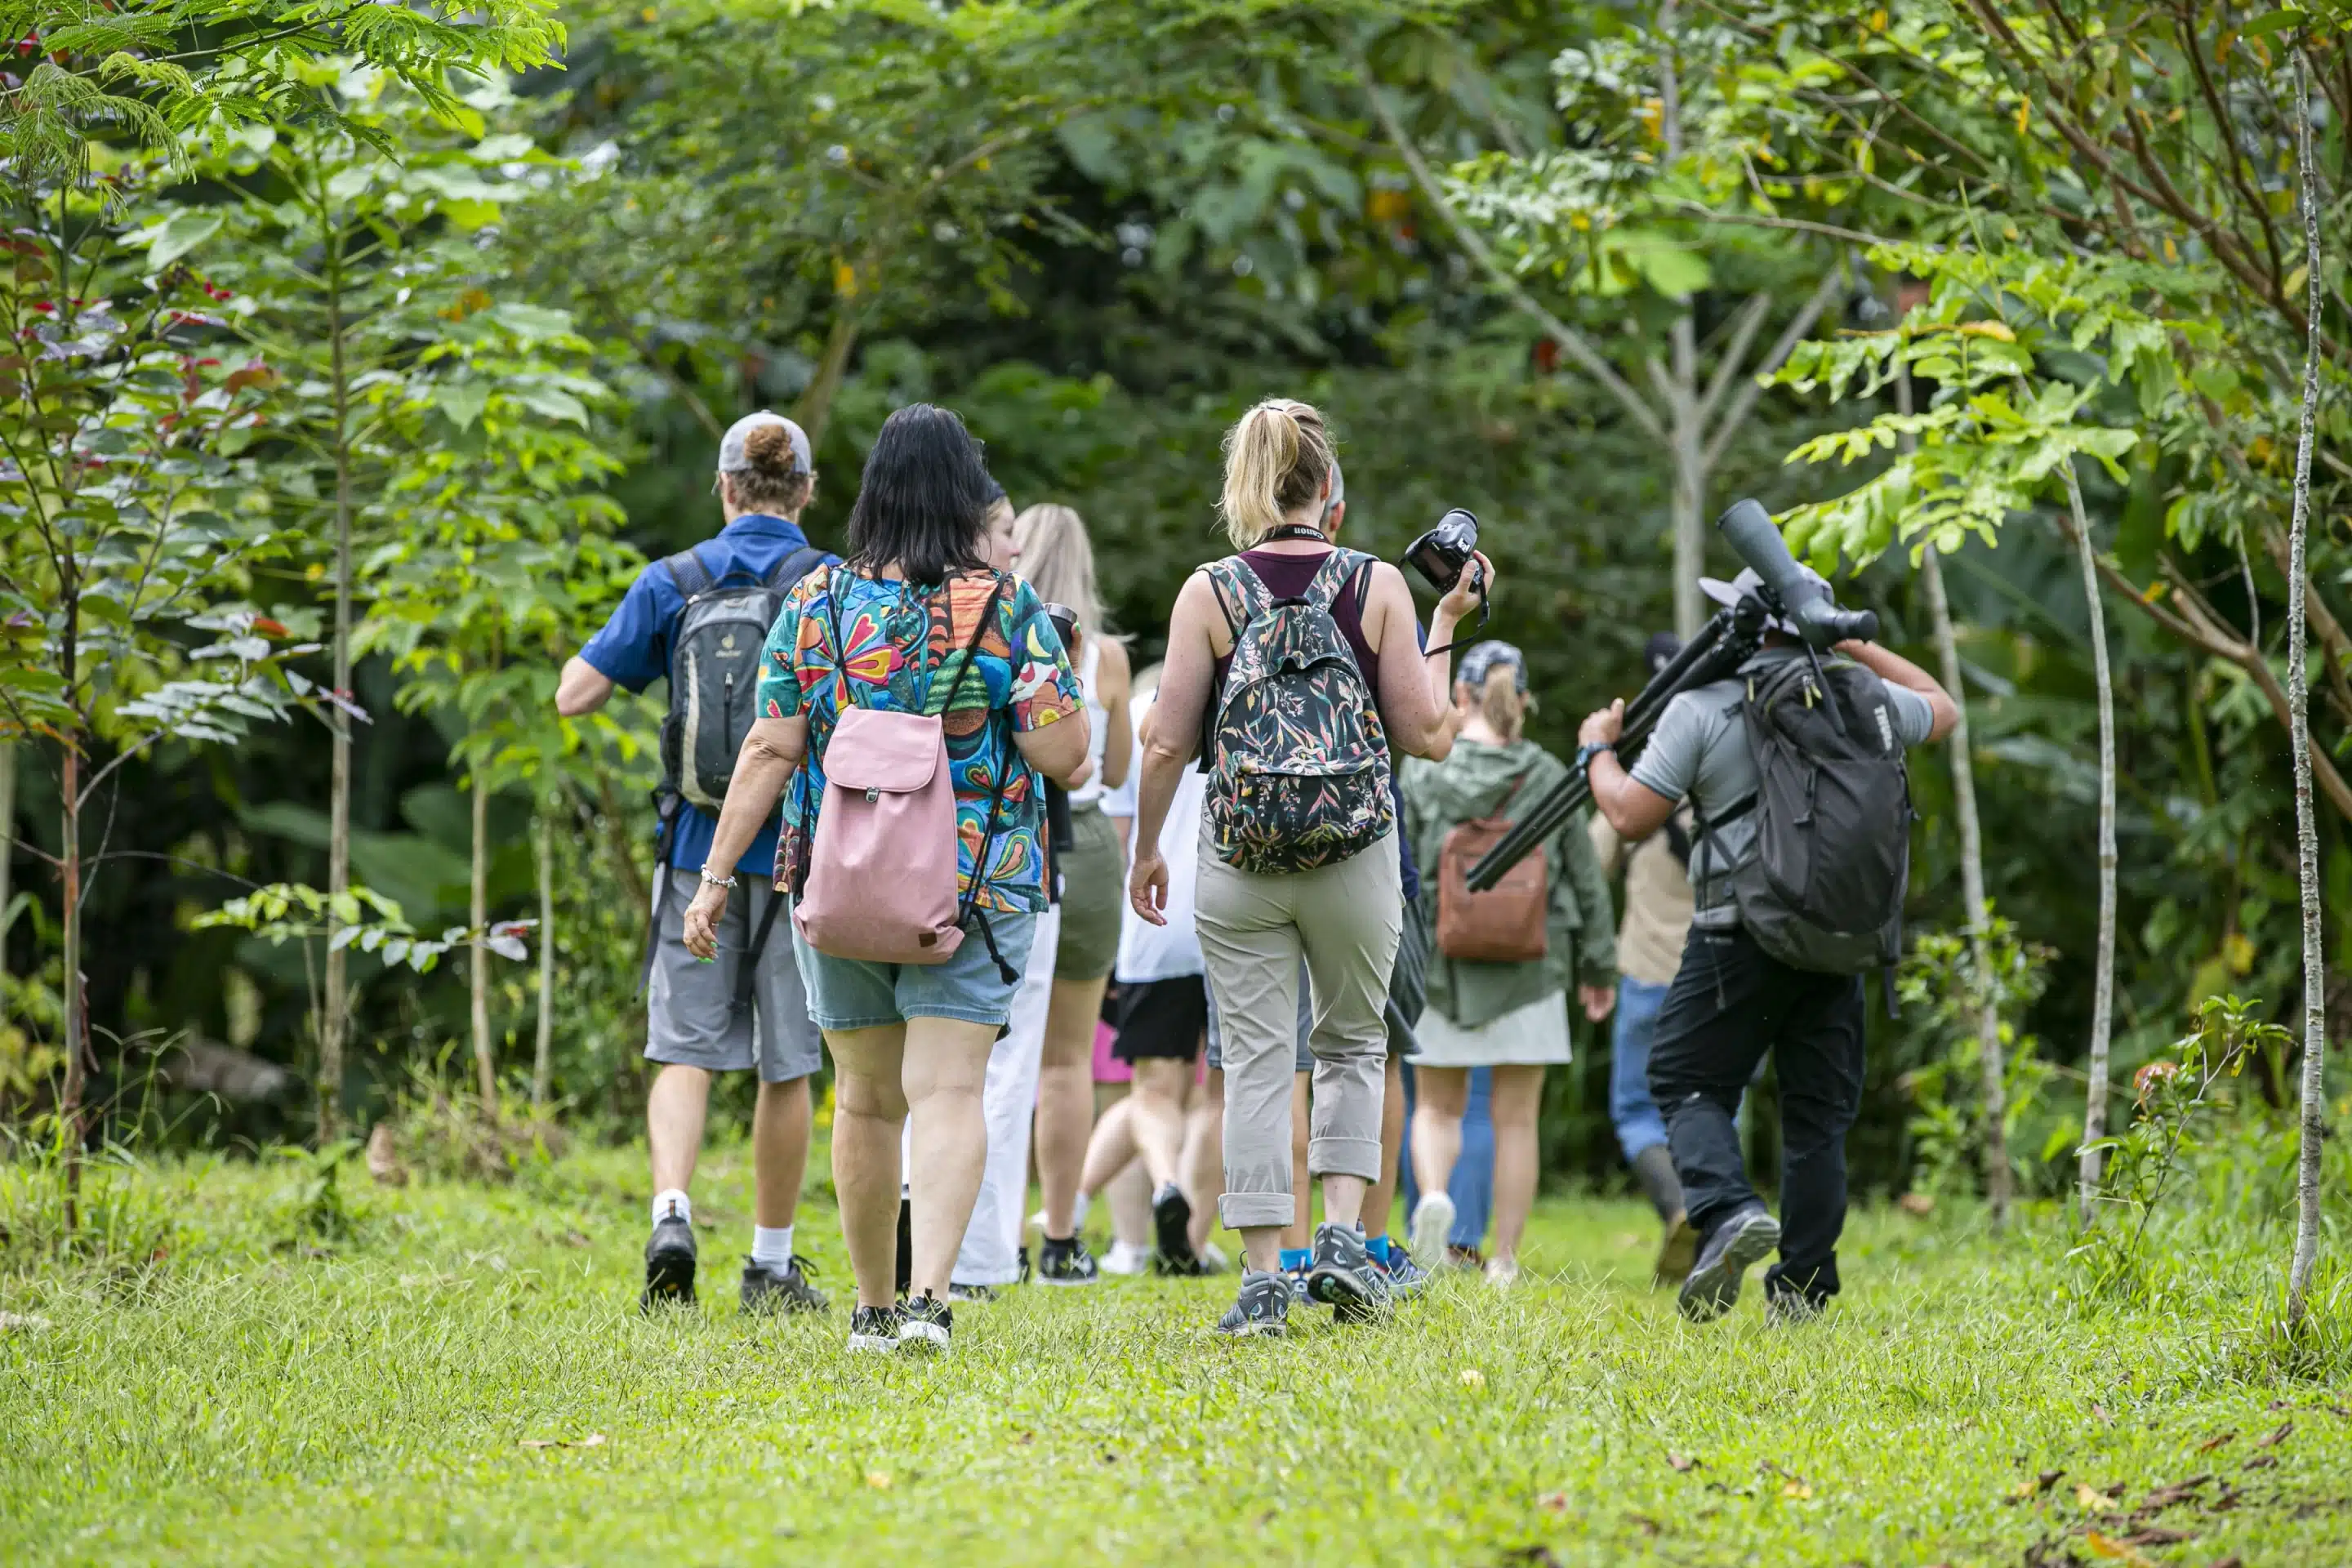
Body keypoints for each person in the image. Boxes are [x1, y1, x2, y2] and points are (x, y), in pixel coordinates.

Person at [681, 403, 1088, 1356]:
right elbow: (1063, 754)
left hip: (843, 885)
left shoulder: (817, 604)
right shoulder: (1003, 607)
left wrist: (711, 881)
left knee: (865, 1099)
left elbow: (768, 747)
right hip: (972, 885)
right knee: (948, 1091)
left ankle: (869, 1310)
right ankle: (930, 1304)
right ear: (963, 497)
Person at [1128, 396, 1484, 1338]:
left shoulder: (1210, 590)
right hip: (1356, 852)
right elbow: (1427, 735)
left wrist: (1147, 852)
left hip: (1239, 855)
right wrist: (1448, 620)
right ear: (1328, 488)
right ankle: (1338, 1241)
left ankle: (1258, 1285)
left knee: (1251, 1062)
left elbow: (1165, 742)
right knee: (1353, 1046)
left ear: (1245, 486)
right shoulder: (1377, 586)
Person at [1579, 567, 1956, 1323]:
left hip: (1737, 935)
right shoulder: (1868, 703)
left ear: (1748, 625)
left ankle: (1726, 1211)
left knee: (1683, 1077)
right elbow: (1945, 708)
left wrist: (1598, 750)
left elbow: (1626, 817)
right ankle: (1804, 1289)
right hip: (1842, 940)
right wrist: (1853, 643)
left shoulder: (1704, 709)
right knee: (1818, 1119)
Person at [555, 410, 833, 1316]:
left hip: (690, 855)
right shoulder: (830, 585)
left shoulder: (673, 581)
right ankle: (770, 1262)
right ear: (805, 491)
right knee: (786, 1062)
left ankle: (671, 1212)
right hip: (804, 852)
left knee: (685, 1048)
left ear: (724, 489)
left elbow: (576, 696)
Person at [1401, 641, 1616, 1285]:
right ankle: (1505, 1259)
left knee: (1436, 1109)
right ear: (1521, 701)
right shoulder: (1551, 774)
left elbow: (1404, 873)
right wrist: (1598, 967)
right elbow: (1584, 879)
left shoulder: (1425, 772)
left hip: (1444, 969)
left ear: (1459, 697)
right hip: (1533, 966)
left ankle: (1436, 1201)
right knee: (1516, 1119)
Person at [1010, 504, 1133, 1285]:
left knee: (993, 1056)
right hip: (1084, 852)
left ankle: (991, 1228)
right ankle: (1059, 1235)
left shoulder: (998, 632)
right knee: (1064, 1064)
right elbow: (1116, 774)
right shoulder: (1109, 661)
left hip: (1009, 839)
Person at [1589, 631, 1703, 1285]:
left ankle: (1677, 1206)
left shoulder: (1639, 784)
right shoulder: (1723, 771)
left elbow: (1592, 855)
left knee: (1636, 1109)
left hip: (1643, 971)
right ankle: (1710, 1217)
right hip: (1714, 974)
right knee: (1715, 1105)